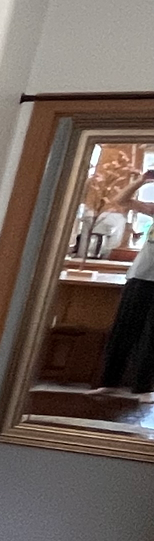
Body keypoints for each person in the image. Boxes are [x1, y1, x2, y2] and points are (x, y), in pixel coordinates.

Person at [97, 166, 154, 397]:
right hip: (140, 277)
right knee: (123, 331)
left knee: (151, 337)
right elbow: (122, 201)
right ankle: (109, 383)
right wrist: (141, 181)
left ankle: (143, 388)